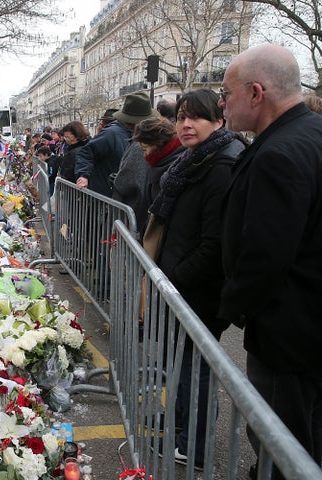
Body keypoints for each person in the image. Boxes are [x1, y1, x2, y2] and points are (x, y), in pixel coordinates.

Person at [217, 43, 322, 479]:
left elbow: (265, 256)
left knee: (282, 443)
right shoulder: (311, 132)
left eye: (226, 93)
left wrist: (224, 312)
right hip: (309, 328)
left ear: (256, 93)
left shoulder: (278, 153)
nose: (221, 103)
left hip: (287, 334)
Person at [144, 88, 245, 470]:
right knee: (184, 362)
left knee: (198, 367)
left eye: (195, 117)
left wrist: (172, 279)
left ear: (218, 119)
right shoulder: (197, 159)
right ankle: (181, 422)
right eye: (181, 116)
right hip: (184, 284)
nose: (185, 124)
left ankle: (195, 445)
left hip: (199, 289)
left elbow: (214, 243)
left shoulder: (221, 165)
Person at [75, 93, 156, 197]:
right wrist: (84, 175)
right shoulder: (111, 134)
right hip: (106, 196)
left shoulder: (144, 136)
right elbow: (86, 153)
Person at [120, 116, 184, 232]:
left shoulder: (173, 166)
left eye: (145, 149)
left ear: (156, 143)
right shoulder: (165, 162)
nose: (145, 156)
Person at [48, 121, 91, 195]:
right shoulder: (87, 146)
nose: (66, 139)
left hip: (75, 192)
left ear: (77, 135)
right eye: (65, 137)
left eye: (68, 137)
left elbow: (67, 174)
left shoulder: (74, 153)